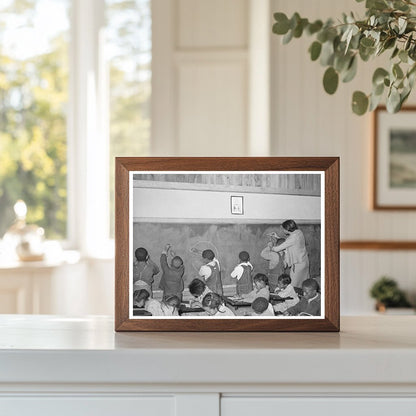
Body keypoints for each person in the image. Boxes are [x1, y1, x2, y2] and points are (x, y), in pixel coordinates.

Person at [271, 220, 310, 288]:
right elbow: (288, 242)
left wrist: (271, 246)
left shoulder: (293, 238)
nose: (283, 230)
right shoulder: (299, 232)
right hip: (304, 261)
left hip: (297, 265)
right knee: (305, 283)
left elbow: (278, 248)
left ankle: (295, 297)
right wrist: (278, 237)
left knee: (294, 285)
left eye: (283, 229)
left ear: (287, 229)